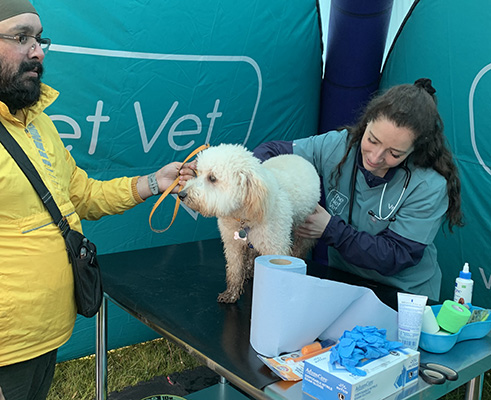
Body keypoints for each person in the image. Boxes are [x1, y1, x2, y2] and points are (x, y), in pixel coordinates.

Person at [0, 1, 195, 398]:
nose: (37, 51)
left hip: (44, 336)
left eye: (39, 39)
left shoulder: (39, 124)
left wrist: (154, 182)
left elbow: (82, 195)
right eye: (21, 37)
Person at [253, 78, 464, 302]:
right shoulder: (338, 146)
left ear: (415, 149)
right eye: (372, 140)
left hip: (403, 297)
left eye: (394, 154)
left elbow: (395, 255)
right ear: (366, 123)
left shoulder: (428, 185)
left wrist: (330, 230)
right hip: (344, 283)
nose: (375, 157)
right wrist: (253, 181)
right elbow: (273, 151)